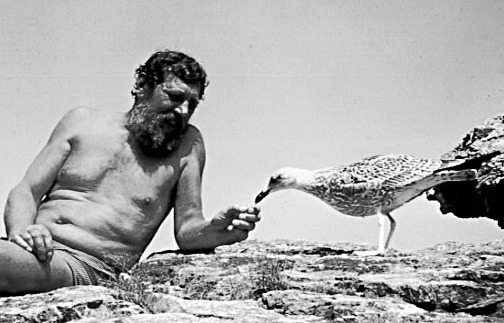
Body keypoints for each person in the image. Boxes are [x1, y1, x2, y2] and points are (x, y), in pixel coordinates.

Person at [0, 49, 261, 295]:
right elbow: (27, 191)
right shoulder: (81, 121)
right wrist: (22, 232)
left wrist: (217, 230)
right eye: (174, 96)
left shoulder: (188, 146)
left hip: (85, 265)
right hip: (30, 249)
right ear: (141, 86)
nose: (183, 111)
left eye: (192, 104)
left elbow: (188, 228)